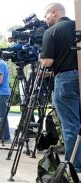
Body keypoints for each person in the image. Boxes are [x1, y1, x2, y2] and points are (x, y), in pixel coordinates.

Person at [40, 3, 81, 172]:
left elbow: (47, 62)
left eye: (46, 16)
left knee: (70, 125)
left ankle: (74, 166)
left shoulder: (51, 32)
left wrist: (41, 58)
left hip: (64, 80)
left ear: (54, 13)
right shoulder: (76, 26)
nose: (45, 19)